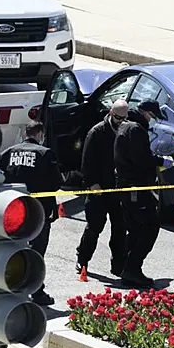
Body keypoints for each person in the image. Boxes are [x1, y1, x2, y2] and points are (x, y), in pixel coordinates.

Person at [0, 120, 62, 306]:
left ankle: (12, 285)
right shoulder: (45, 154)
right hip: (39, 212)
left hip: (14, 209)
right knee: (36, 252)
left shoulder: (9, 153)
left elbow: (0, 179)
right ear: (40, 134)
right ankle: (36, 291)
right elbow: (56, 183)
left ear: (26, 133)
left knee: (14, 249)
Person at [114, 99, 171, 288]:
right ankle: (132, 268)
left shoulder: (125, 126)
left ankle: (128, 270)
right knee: (150, 227)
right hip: (136, 187)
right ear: (147, 113)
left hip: (127, 186)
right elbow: (141, 159)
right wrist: (160, 161)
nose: (154, 120)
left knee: (136, 229)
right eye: (153, 116)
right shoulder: (136, 129)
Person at [75, 99, 128, 277]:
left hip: (117, 188)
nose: (121, 121)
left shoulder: (125, 130)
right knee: (94, 227)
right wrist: (92, 183)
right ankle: (82, 259)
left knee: (120, 228)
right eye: (118, 117)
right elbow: (87, 161)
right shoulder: (97, 132)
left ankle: (118, 264)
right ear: (111, 113)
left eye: (124, 117)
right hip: (98, 189)